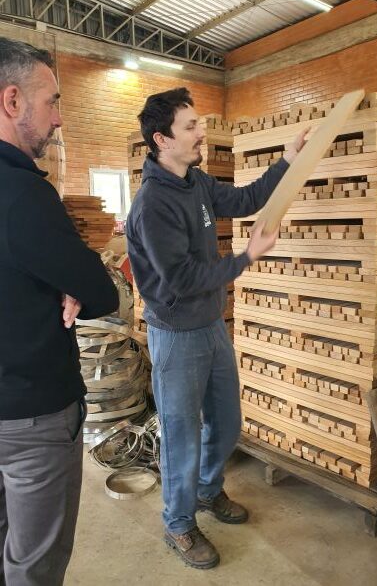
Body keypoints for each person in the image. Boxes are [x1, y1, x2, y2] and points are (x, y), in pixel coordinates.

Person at [126, 87, 308, 570]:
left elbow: (246, 197)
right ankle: (178, 523)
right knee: (182, 434)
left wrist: (286, 160)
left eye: (199, 123)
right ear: (162, 139)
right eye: (191, 126)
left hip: (210, 324)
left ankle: (207, 492)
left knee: (226, 423)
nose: (201, 132)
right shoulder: (153, 204)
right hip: (177, 333)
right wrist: (246, 257)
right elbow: (182, 280)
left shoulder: (196, 182)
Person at [0, 37, 119, 585]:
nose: (60, 120)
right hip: (31, 417)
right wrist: (72, 282)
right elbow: (100, 289)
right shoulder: (23, 193)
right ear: (12, 101)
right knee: (35, 565)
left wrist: (57, 279)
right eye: (52, 101)